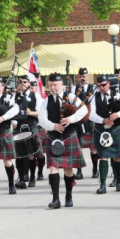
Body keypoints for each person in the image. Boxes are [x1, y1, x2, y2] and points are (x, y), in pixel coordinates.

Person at [38, 73, 87, 209]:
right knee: (53, 167)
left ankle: (69, 196)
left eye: (55, 85)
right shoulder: (46, 101)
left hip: (69, 136)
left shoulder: (71, 97)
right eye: (51, 85)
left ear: (62, 85)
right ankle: (55, 199)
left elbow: (83, 110)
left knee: (68, 169)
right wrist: (53, 126)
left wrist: (70, 119)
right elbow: (42, 119)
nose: (53, 87)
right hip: (53, 136)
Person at [89, 75, 120, 194]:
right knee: (102, 156)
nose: (101, 88)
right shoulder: (94, 97)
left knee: (117, 157)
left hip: (115, 129)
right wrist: (103, 120)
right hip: (101, 129)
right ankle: (102, 184)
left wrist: (118, 114)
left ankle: (118, 181)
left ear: (108, 83)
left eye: (103, 85)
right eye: (98, 86)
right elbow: (90, 114)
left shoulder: (117, 94)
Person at [11, 75, 44, 189]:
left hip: (31, 126)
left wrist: (31, 113)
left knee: (31, 155)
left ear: (29, 83)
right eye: (20, 82)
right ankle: (21, 178)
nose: (22, 84)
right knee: (19, 155)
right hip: (18, 127)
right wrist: (12, 121)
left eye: (24, 82)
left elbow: (41, 112)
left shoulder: (36, 96)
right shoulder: (14, 97)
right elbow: (9, 111)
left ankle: (32, 177)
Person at [71, 67, 99, 180]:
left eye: (84, 76)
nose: (82, 78)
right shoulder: (74, 88)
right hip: (79, 118)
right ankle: (79, 171)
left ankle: (95, 170)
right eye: (81, 76)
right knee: (79, 147)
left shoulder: (95, 88)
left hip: (90, 118)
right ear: (78, 77)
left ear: (88, 76)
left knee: (93, 147)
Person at [30, 80, 46, 180]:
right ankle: (30, 174)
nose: (31, 90)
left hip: (39, 126)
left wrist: (29, 113)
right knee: (30, 153)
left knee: (39, 153)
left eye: (33, 88)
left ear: (36, 89)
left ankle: (40, 172)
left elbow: (39, 112)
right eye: (30, 88)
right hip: (29, 126)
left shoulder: (38, 97)